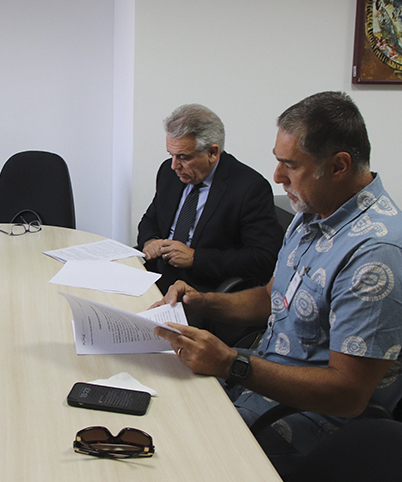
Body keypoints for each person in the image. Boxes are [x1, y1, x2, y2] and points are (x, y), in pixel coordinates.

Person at [152, 92, 402, 478]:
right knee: (154, 391)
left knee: (176, 455)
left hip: (315, 418)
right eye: (278, 160)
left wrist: (231, 364)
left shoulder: (376, 253)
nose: (278, 177)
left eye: (290, 165)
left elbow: (348, 394)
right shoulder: (313, 213)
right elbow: (273, 297)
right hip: (261, 374)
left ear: (339, 166)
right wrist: (203, 302)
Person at [137, 104, 283, 297]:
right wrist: (151, 241)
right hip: (157, 273)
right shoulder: (169, 172)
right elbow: (151, 219)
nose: (174, 165)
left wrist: (195, 258)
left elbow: (262, 257)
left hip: (201, 287)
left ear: (213, 152)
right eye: (171, 155)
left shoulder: (250, 188)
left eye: (183, 157)